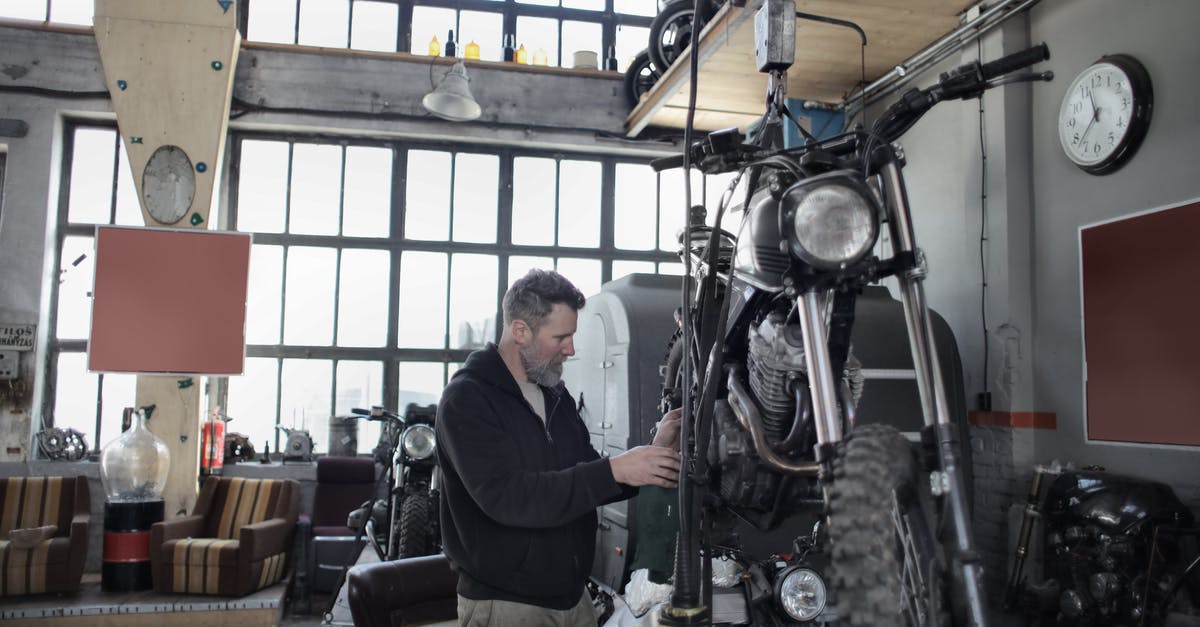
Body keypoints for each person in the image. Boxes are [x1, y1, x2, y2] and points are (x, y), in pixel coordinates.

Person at [436, 268, 682, 627]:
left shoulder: (553, 393)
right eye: (561, 337)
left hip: (572, 596)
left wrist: (647, 458)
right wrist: (613, 470)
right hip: (507, 605)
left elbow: (584, 473)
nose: (571, 349)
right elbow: (508, 498)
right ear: (520, 331)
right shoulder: (468, 400)